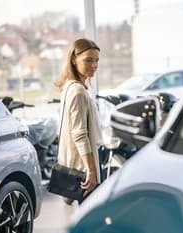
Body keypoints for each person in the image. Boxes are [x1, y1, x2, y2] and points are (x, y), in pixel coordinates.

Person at [55, 38, 102, 205]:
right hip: (82, 166)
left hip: (72, 163)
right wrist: (91, 170)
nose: (94, 65)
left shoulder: (68, 86)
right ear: (74, 60)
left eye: (96, 60)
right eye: (88, 60)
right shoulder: (78, 92)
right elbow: (79, 134)